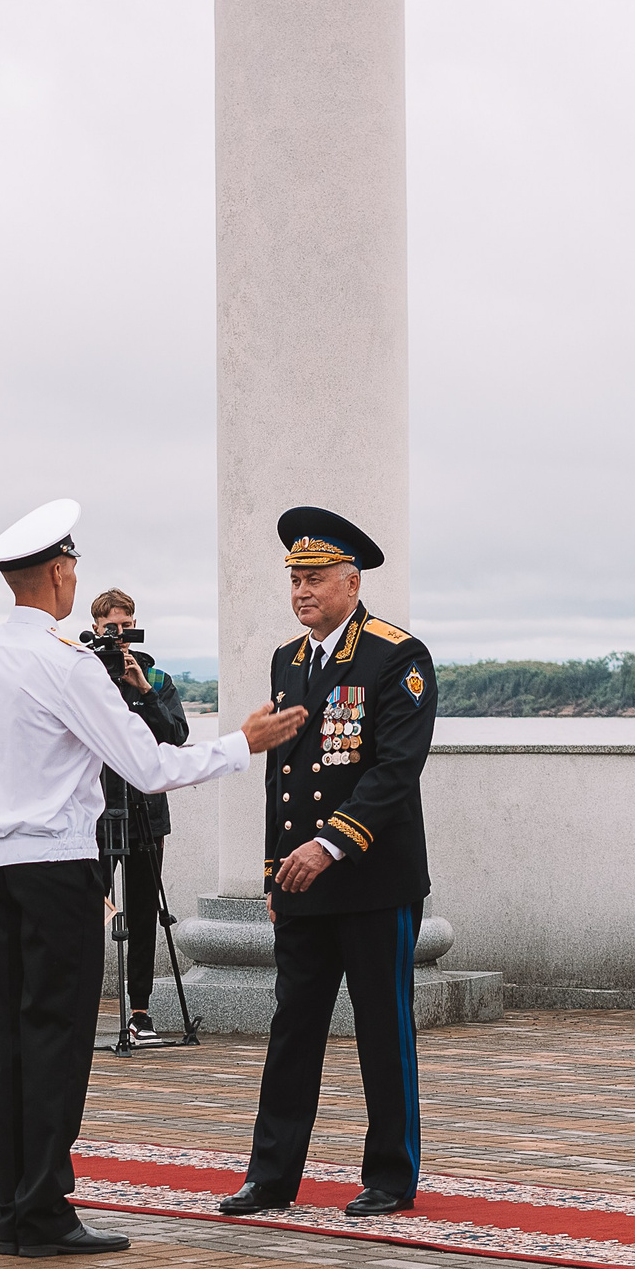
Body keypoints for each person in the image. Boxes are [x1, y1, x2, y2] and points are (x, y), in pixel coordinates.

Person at [0, 499, 304, 1258]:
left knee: (12, 1041)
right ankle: (43, 1211)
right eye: (72, 565)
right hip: (55, 871)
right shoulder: (67, 664)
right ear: (56, 572)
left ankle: (14, 1205)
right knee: (57, 1041)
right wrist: (241, 745)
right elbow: (147, 766)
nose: (74, 577)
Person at [217, 507, 438, 1221]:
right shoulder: (288, 660)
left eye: (314, 579)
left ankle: (390, 1177)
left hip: (370, 881)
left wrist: (331, 844)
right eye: (294, 580)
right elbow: (281, 777)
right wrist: (273, 875)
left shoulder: (395, 656)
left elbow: (395, 770)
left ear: (352, 580)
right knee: (293, 1031)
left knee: (383, 1031)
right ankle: (271, 1176)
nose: (301, 592)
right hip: (301, 884)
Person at [88, 588, 187, 1045]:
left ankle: (141, 1012)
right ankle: (81, 1002)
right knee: (89, 910)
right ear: (96, 629)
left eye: (127, 626)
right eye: (112, 627)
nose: (121, 635)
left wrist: (142, 690)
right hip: (96, 810)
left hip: (146, 810)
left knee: (145, 912)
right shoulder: (83, 672)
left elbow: (175, 735)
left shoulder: (156, 676)